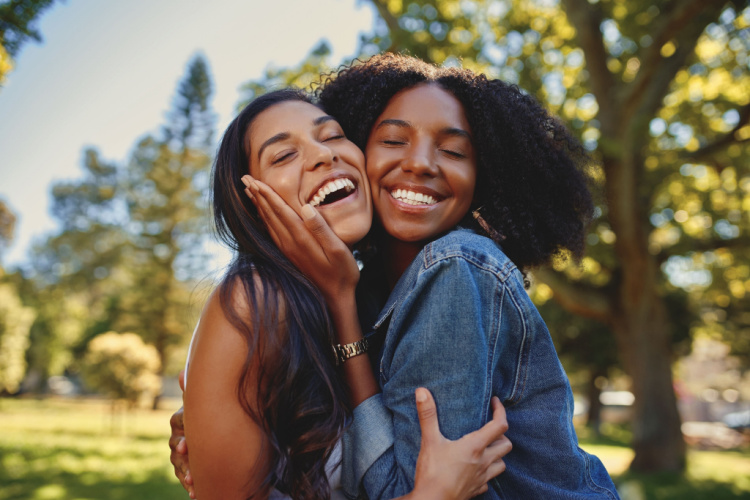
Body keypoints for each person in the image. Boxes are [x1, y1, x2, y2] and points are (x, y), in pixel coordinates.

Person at [242, 53, 620, 499]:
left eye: (454, 151)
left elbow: (400, 491)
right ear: (358, 154)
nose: (421, 163)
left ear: (482, 178)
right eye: (394, 141)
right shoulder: (362, 287)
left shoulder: (454, 267)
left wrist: (341, 308)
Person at [178, 87, 512, 500]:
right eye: (283, 155)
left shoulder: (366, 299)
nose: (323, 155)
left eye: (333, 135)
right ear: (252, 207)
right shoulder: (253, 300)